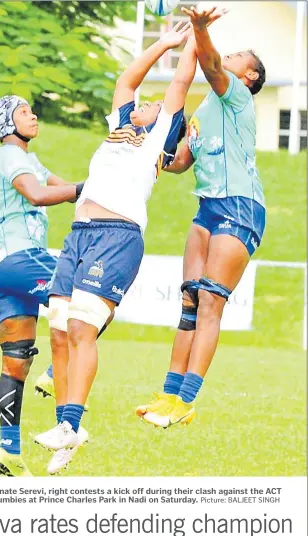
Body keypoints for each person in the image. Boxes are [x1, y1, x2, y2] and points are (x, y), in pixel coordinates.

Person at [34, 19, 216, 474]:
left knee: (81, 330)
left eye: (155, 105)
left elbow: (180, 79)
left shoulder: (157, 138)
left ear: (164, 124)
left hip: (117, 238)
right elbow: (126, 80)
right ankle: (66, 429)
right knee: (58, 331)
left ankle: (71, 423)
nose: (147, 103)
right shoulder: (120, 125)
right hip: (79, 235)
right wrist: (163, 42)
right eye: (145, 103)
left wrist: (192, 37)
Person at [137, 6, 266, 429]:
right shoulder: (205, 108)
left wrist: (199, 26)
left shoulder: (237, 95)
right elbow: (180, 163)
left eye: (236, 58)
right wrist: (152, 154)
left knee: (212, 301)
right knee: (190, 300)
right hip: (208, 206)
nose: (227, 57)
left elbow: (208, 63)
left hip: (241, 207)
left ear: (248, 77)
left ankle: (187, 400)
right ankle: (168, 395)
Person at [0, 95, 87, 476]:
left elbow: (68, 187)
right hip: (20, 257)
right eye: (25, 112)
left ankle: (8, 451)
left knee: (15, 361)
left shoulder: (27, 160)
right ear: (7, 124)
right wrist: (83, 190)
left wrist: (94, 188)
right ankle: (53, 379)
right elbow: (40, 195)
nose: (34, 115)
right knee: (90, 301)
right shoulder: (11, 155)